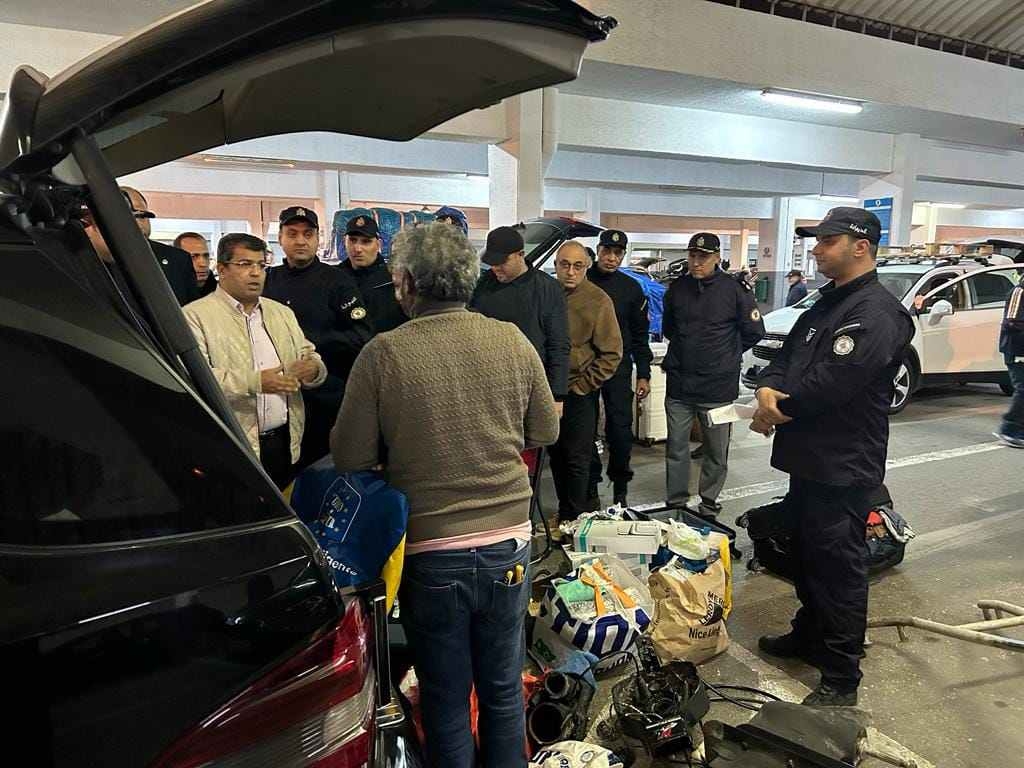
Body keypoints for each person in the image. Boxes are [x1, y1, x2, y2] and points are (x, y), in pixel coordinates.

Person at [331, 222, 559, 768]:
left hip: (432, 553)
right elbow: (545, 430)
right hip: (509, 543)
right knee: (504, 690)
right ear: (469, 279)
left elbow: (349, 456)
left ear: (407, 282)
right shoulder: (511, 339)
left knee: (446, 696)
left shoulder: (385, 354)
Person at [750, 207, 914, 707]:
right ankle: (810, 633)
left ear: (860, 246)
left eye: (826, 241)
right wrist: (767, 391)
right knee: (803, 552)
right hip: (809, 460)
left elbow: (834, 383)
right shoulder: (824, 306)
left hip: (843, 465)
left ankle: (841, 677)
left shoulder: (879, 313)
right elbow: (787, 357)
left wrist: (778, 410)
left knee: (839, 569)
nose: (817, 249)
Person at [184, 233, 326, 489]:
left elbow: (309, 352)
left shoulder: (280, 313)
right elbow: (194, 378)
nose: (255, 273)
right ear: (222, 269)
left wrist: (314, 368)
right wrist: (255, 382)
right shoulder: (195, 316)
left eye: (261, 265)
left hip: (285, 441)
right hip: (232, 445)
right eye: (245, 264)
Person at [662, 233, 765, 517]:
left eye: (703, 257)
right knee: (676, 448)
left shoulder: (735, 291)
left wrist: (726, 355)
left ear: (717, 258)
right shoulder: (678, 289)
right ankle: (676, 501)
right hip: (680, 384)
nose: (696, 262)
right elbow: (670, 329)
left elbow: (755, 332)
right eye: (693, 256)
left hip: (718, 387)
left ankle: (708, 501)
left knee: (716, 451)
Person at [263, 206, 374, 469]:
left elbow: (362, 334)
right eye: (292, 233)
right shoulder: (268, 281)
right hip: (278, 401)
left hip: (325, 402)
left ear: (317, 239)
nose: (300, 240)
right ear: (280, 238)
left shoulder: (337, 281)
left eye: (308, 234)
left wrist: (315, 356)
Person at [549, 241, 622, 521]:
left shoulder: (598, 300)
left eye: (577, 266)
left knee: (577, 459)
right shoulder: (548, 294)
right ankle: (566, 511)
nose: (570, 272)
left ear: (587, 267)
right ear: (556, 266)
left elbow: (612, 354)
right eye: (564, 265)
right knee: (555, 456)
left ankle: (575, 520)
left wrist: (582, 387)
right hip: (550, 392)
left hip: (579, 392)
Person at [586, 229, 653, 507]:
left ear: (623, 255)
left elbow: (640, 334)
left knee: (620, 429)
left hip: (618, 366)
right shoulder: (582, 281)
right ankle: (589, 487)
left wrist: (645, 373)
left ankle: (620, 489)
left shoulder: (631, 288)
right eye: (606, 251)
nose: (611, 258)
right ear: (598, 250)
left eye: (617, 253)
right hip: (584, 368)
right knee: (584, 430)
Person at [471, 226, 570, 407]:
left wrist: (557, 395)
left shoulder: (547, 289)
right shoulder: (482, 285)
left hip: (530, 387)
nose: (496, 268)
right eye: (492, 263)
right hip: (485, 386)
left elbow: (559, 345)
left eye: (502, 262)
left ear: (520, 254)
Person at [121, 187, 199, 305]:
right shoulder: (93, 260)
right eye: (127, 215)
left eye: (142, 216)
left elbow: (193, 310)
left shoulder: (178, 259)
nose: (136, 223)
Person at [337, 215, 408, 333]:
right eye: (353, 240)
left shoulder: (393, 279)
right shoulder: (334, 278)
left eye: (366, 241)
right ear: (345, 241)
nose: (358, 248)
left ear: (378, 244)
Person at [995, 281, 1024, 447]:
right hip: (1017, 349)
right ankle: (1009, 429)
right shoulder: (1019, 291)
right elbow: (1011, 321)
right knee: (1023, 389)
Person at [174, 231, 217, 296]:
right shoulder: (167, 291)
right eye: (193, 257)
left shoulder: (220, 291)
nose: (203, 264)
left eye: (206, 256)